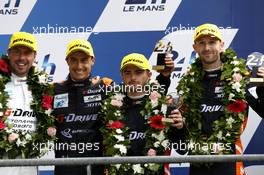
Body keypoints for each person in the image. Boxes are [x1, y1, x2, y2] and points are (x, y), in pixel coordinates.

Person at [176, 23, 249, 175]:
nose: (207, 47)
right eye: (201, 43)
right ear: (195, 47)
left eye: (212, 42)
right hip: (198, 160)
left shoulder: (238, 78)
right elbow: (182, 130)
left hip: (229, 160)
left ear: (221, 45)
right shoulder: (189, 82)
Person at [101, 53, 186, 174]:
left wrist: (180, 128)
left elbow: (182, 150)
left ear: (149, 75)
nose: (133, 77)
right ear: (122, 76)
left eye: (138, 72)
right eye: (127, 73)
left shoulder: (165, 108)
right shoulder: (109, 110)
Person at [52, 39, 113, 175]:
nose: (79, 66)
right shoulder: (54, 89)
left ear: (92, 60)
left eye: (84, 60)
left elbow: (137, 95)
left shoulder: (105, 86)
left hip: (96, 167)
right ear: (67, 61)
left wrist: (164, 79)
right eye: (74, 60)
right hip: (64, 166)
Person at [0, 32, 55, 175]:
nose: (22, 58)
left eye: (27, 53)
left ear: (34, 56)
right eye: (17, 52)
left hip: (29, 165)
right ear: (9, 53)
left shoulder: (42, 86)